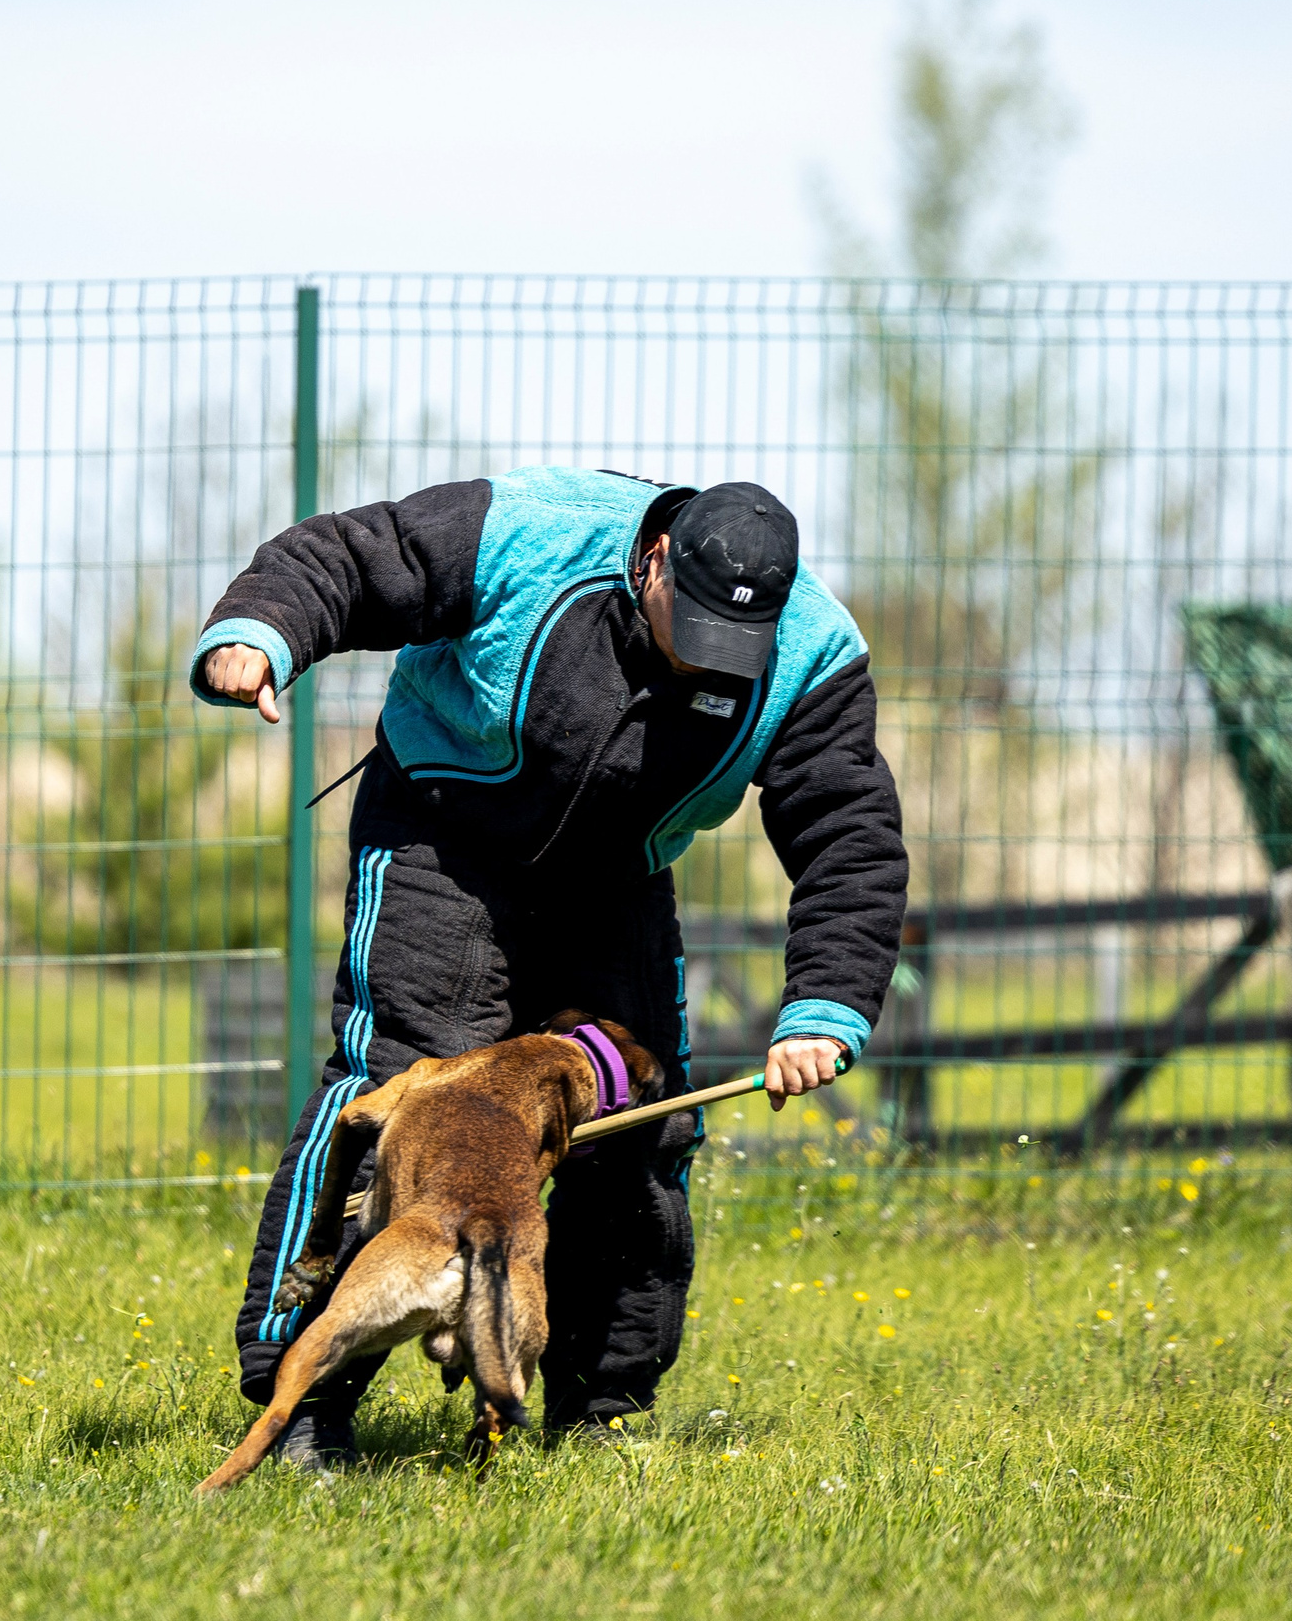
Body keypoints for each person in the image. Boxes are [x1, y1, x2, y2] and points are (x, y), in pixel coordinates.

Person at [191, 465, 906, 1464]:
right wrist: (259, 632)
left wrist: (824, 1008)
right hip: (444, 829)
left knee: (641, 1133)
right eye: (691, 629)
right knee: (404, 1083)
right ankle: (299, 1403)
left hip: (618, 873)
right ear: (652, 562)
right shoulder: (528, 533)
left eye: (733, 651)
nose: (710, 665)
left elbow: (848, 836)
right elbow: (353, 556)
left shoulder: (813, 651)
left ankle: (596, 1413)